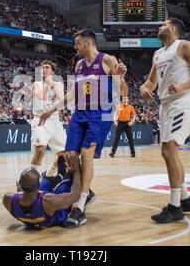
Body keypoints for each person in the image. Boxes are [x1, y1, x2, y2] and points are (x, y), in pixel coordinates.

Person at [39, 29, 128, 227]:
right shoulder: (79, 65)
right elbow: (71, 94)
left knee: (86, 154)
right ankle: (84, 192)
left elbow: (124, 92)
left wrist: (120, 78)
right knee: (70, 155)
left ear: (88, 44)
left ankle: (79, 206)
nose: (75, 46)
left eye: (77, 43)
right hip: (80, 114)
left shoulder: (107, 60)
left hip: (101, 113)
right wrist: (51, 110)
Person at [140, 18, 190, 223]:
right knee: (171, 154)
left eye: (162, 24)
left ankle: (175, 207)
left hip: (181, 102)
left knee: (168, 150)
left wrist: (184, 86)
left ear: (172, 29)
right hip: (165, 105)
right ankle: (185, 198)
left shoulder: (185, 46)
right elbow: (152, 81)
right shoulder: (158, 53)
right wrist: (145, 88)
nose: (158, 27)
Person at [3, 154, 85, 228]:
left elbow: (20, 204)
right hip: (56, 209)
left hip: (39, 202)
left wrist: (19, 193)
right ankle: (65, 176)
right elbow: (75, 195)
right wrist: (76, 172)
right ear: (38, 187)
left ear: (19, 184)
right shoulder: (49, 200)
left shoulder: (8, 200)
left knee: (45, 182)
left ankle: (60, 175)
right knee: (68, 181)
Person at [31, 60, 67, 177]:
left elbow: (62, 101)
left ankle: (48, 174)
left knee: (65, 154)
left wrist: (51, 84)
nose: (44, 69)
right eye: (43, 67)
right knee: (40, 149)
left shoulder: (59, 85)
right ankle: (31, 179)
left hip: (54, 121)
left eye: (47, 67)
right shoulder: (36, 84)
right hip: (40, 120)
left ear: (52, 72)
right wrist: (46, 83)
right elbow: (40, 96)